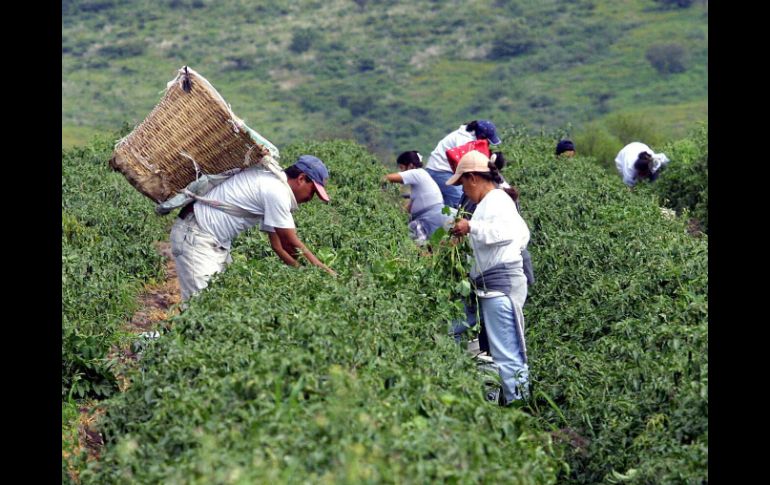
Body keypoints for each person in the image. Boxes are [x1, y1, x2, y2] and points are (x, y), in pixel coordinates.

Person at [170, 155, 336, 301]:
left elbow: (278, 246)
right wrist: (325, 274)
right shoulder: (277, 191)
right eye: (312, 191)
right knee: (201, 306)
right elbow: (290, 242)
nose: (310, 198)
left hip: (210, 238)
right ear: (301, 178)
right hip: (196, 236)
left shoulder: (273, 184)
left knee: (221, 302)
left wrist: (304, 273)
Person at [447, 149, 531, 405]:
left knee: (507, 353)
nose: (463, 190)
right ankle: (513, 402)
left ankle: (520, 407)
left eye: (463, 183)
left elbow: (509, 233)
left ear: (473, 178)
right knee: (497, 347)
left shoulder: (497, 200)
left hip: (501, 285)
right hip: (489, 285)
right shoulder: (489, 203)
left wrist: (471, 227)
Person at [382, 151, 456, 245]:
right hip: (434, 216)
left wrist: (377, 180)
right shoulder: (420, 179)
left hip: (432, 217)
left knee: (415, 241)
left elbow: (388, 178)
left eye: (401, 168)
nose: (401, 171)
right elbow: (409, 208)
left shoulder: (416, 173)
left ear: (410, 165)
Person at [424, 120, 502, 208]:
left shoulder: (469, 136)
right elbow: (468, 166)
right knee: (460, 201)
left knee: (450, 204)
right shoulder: (464, 139)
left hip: (445, 169)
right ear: (482, 135)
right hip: (440, 170)